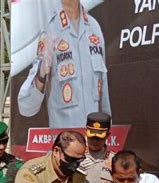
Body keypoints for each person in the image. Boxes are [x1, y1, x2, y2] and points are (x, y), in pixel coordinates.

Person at [18, 0, 111, 128]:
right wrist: (42, 72)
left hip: (95, 137)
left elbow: (103, 88)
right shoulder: (50, 29)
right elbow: (26, 106)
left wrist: (108, 130)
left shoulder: (94, 27)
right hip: (66, 141)